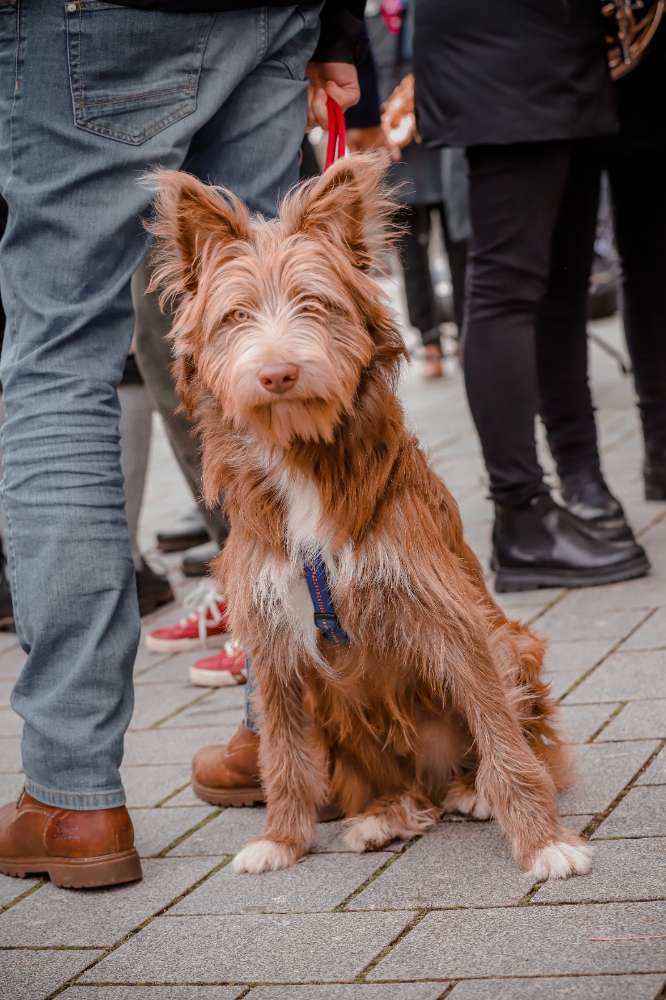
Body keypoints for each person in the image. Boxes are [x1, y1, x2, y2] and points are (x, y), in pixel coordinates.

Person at [0, 0, 362, 890]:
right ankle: (292, 736)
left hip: (85, 17)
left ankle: (74, 794)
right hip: (269, 7)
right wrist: (340, 26)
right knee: (258, 313)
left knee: (62, 357)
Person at [413, 0, 650, 593]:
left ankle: (553, 501)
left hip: (548, 48)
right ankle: (521, 518)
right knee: (506, 287)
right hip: (510, 47)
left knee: (555, 282)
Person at [537, 22, 666, 518]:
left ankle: (661, 448)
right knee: (561, 278)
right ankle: (579, 473)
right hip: (552, 62)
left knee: (654, 265)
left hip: (645, 59)